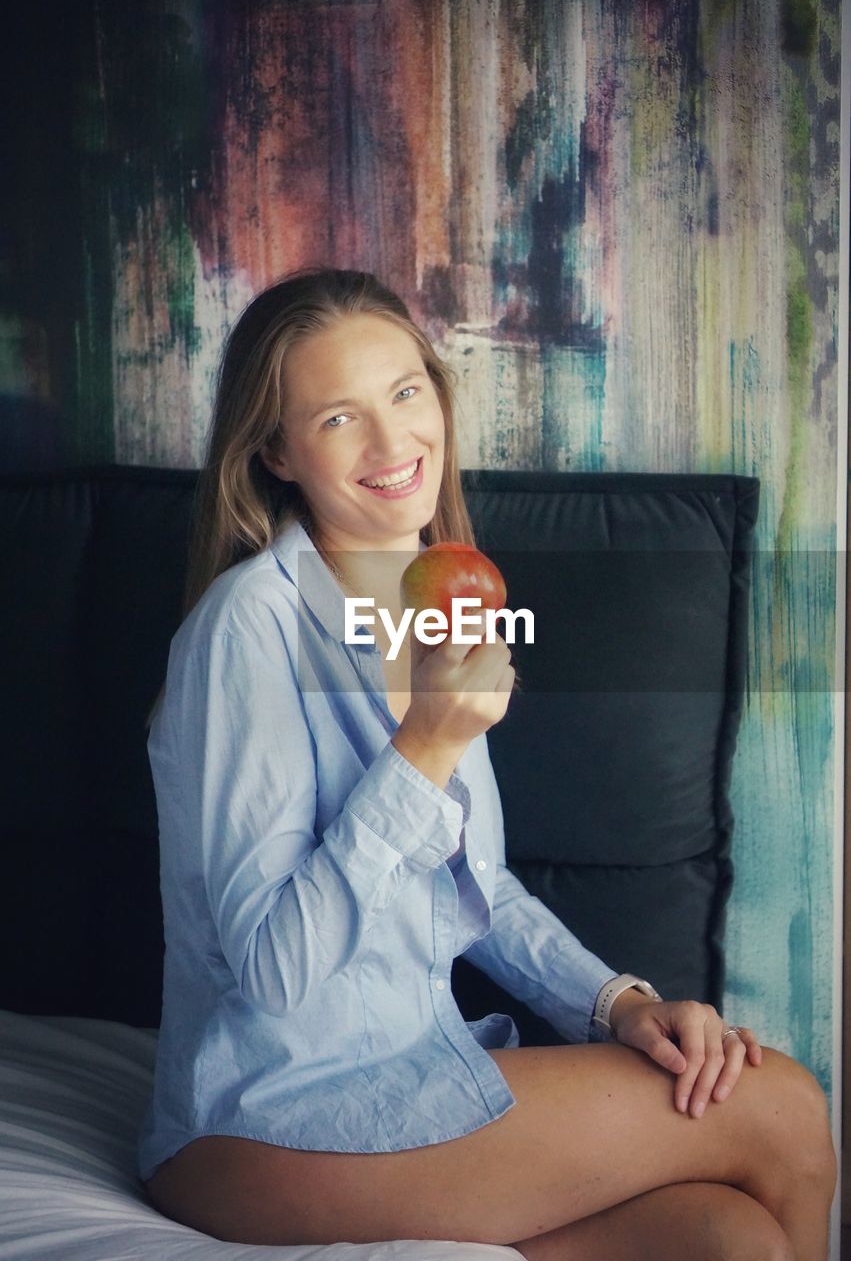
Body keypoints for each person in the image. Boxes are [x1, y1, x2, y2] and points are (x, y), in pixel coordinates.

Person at [139, 267, 836, 1260]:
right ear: (275, 451)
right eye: (338, 417)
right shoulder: (247, 627)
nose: (391, 443)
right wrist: (422, 745)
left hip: (408, 1067)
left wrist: (618, 1003)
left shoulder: (436, 599)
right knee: (778, 1107)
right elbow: (274, 971)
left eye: (405, 391)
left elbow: (479, 884)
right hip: (264, 1123)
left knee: (730, 1238)